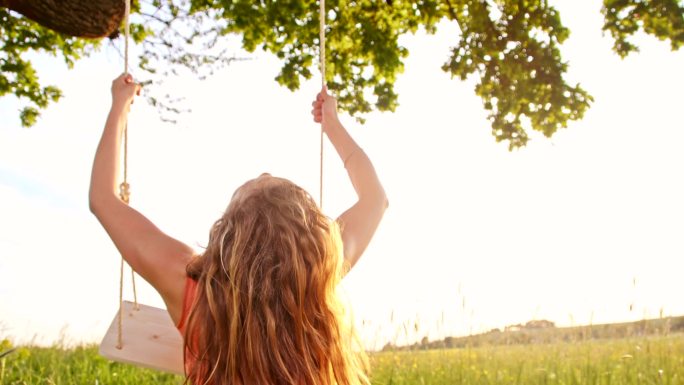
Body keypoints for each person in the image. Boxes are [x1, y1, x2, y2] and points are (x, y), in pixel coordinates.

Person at [89, 74, 388, 385]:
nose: (265, 169)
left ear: (229, 230)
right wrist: (333, 125)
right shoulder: (316, 274)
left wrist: (119, 107)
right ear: (308, 235)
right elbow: (375, 198)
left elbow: (102, 200)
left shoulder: (194, 291)